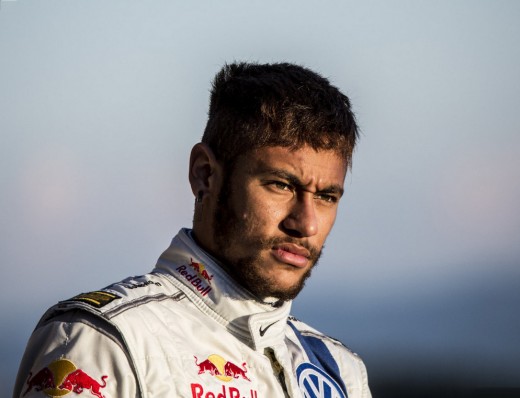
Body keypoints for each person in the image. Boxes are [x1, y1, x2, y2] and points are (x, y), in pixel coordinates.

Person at [14, 62, 371, 398]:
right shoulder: (102, 341)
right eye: (280, 185)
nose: (305, 223)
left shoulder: (341, 372)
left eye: (326, 196)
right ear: (204, 174)